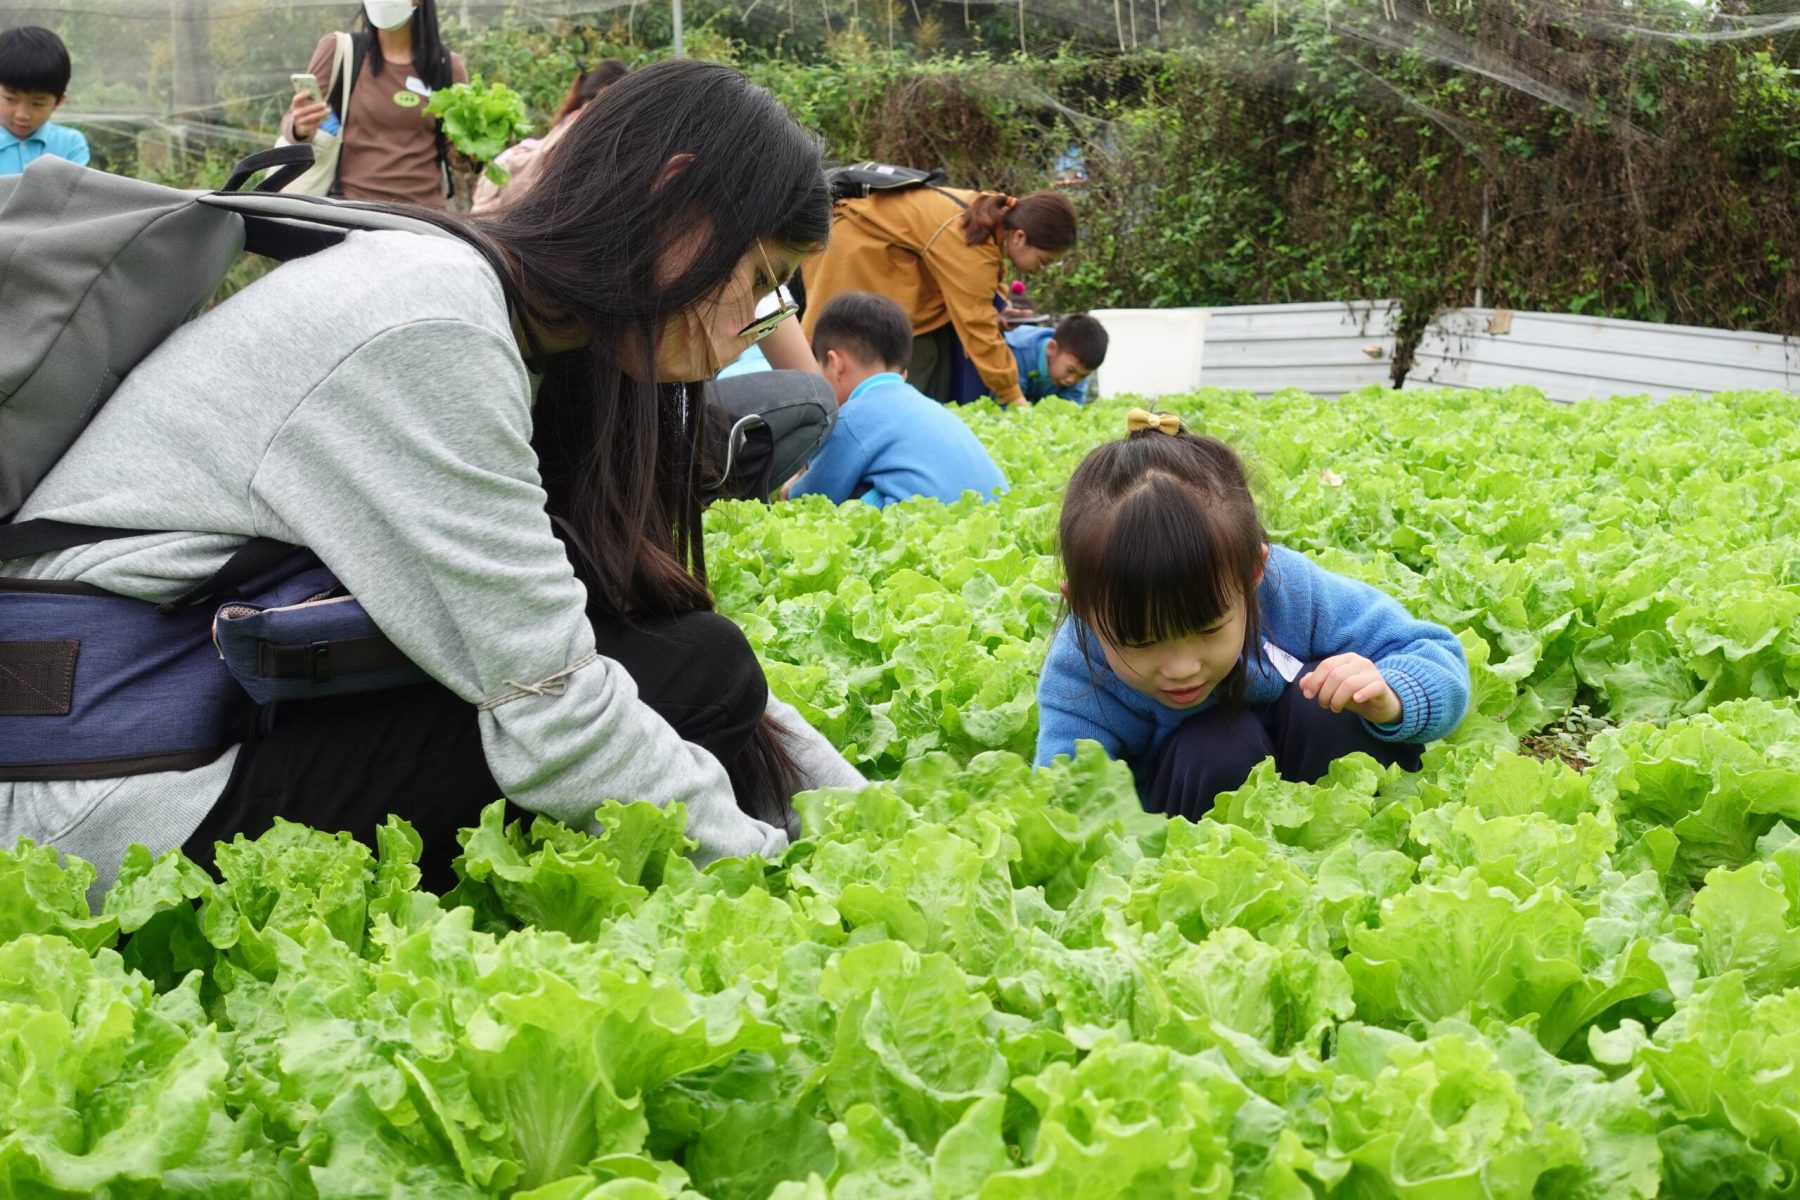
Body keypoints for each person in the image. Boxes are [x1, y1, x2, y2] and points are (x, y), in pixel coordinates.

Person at [2, 60, 863, 896]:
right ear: (672, 197)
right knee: (696, 674)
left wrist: (863, 820)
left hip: (163, 735)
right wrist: (783, 882)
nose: (760, 320)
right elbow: (556, 718)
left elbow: (600, 628)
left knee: (699, 663)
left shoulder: (500, 307)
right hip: (105, 800)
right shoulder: (435, 329)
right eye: (759, 279)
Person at [1035, 412, 1469, 819]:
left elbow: (1434, 653)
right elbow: (1067, 804)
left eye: (1208, 629)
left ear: (1253, 574)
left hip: (1325, 785)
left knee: (1330, 703)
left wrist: (1390, 698)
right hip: (1195, 811)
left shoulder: (1289, 589)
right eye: (1142, 641)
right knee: (1218, 748)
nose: (1182, 668)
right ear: (1083, 607)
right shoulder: (1077, 673)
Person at [799, 184, 1077, 407]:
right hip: (849, 250)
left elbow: (981, 283)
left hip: (884, 256)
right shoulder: (973, 245)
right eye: (1043, 260)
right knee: (841, 351)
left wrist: (998, 309)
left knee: (926, 351)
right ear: (1019, 237)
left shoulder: (991, 213)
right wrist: (1013, 396)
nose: (1043, 269)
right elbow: (978, 328)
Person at [784, 292, 1007, 508]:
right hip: (991, 517)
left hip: (920, 526)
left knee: (851, 494)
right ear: (904, 373)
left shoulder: (851, 419)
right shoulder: (928, 407)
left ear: (835, 364)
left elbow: (811, 498)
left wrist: (791, 488)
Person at [282, 0, 467, 207]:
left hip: (424, 216)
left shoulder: (447, 66)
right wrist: (300, 126)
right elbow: (292, 124)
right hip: (352, 211)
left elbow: (457, 152)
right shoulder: (342, 50)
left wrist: (471, 152)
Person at [471, 58, 628, 213]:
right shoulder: (588, 121)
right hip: (508, 195)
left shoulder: (574, 115)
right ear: (608, 91)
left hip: (500, 184)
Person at [0, 26, 88, 176]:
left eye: (38, 103)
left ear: (58, 101)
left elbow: (72, 190)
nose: (22, 115)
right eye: (10, 99)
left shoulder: (70, 144)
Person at [1006, 312, 1108, 405]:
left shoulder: (1077, 372)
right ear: (1052, 348)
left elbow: (1070, 410)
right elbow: (1007, 402)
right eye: (1070, 370)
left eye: (1082, 376)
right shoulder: (1016, 352)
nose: (1071, 380)